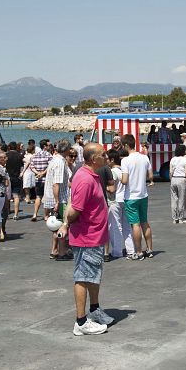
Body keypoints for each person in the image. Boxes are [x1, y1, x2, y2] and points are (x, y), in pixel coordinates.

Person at [56, 143, 114, 336]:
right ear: (93, 159)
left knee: (93, 275)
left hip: (95, 236)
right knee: (83, 277)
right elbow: (74, 210)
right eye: (102, 154)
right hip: (86, 237)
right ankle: (81, 322)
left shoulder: (92, 175)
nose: (106, 156)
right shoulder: (85, 179)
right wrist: (65, 224)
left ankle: (95, 310)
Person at [120, 134, 154, 259]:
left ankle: (139, 252)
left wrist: (118, 176)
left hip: (131, 196)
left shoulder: (125, 160)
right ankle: (149, 249)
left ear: (126, 145)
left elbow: (124, 180)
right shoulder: (144, 158)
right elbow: (150, 176)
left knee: (135, 224)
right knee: (145, 222)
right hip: (143, 194)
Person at [44, 140, 73, 260]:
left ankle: (55, 250)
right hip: (60, 200)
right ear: (66, 150)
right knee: (62, 225)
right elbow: (56, 184)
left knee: (56, 227)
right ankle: (62, 252)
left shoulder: (54, 160)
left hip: (52, 198)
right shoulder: (60, 163)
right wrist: (57, 201)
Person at [106, 149, 134, 259]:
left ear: (112, 160)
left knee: (115, 226)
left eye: (107, 159)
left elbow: (111, 188)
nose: (106, 161)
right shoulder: (124, 170)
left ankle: (117, 251)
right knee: (127, 226)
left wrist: (104, 186)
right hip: (125, 198)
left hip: (115, 200)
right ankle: (131, 250)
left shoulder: (112, 172)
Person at [29, 140, 52, 222]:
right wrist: (43, 173)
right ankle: (46, 215)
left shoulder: (35, 155)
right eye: (48, 145)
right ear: (45, 146)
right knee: (47, 197)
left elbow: (31, 166)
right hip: (46, 179)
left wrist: (38, 173)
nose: (49, 147)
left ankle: (35, 214)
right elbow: (50, 166)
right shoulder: (48, 155)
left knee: (38, 197)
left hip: (37, 179)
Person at [169, 144, 186, 223]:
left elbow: (170, 171)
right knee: (181, 199)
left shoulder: (172, 159)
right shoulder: (185, 160)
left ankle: (175, 218)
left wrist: (171, 180)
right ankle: (181, 218)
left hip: (174, 178)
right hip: (182, 179)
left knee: (174, 199)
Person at [5, 142, 24, 220]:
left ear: (9, 147)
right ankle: (16, 214)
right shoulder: (20, 156)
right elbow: (22, 166)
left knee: (7, 196)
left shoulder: (6, 155)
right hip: (16, 177)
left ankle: (7, 211)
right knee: (16, 196)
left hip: (7, 177)